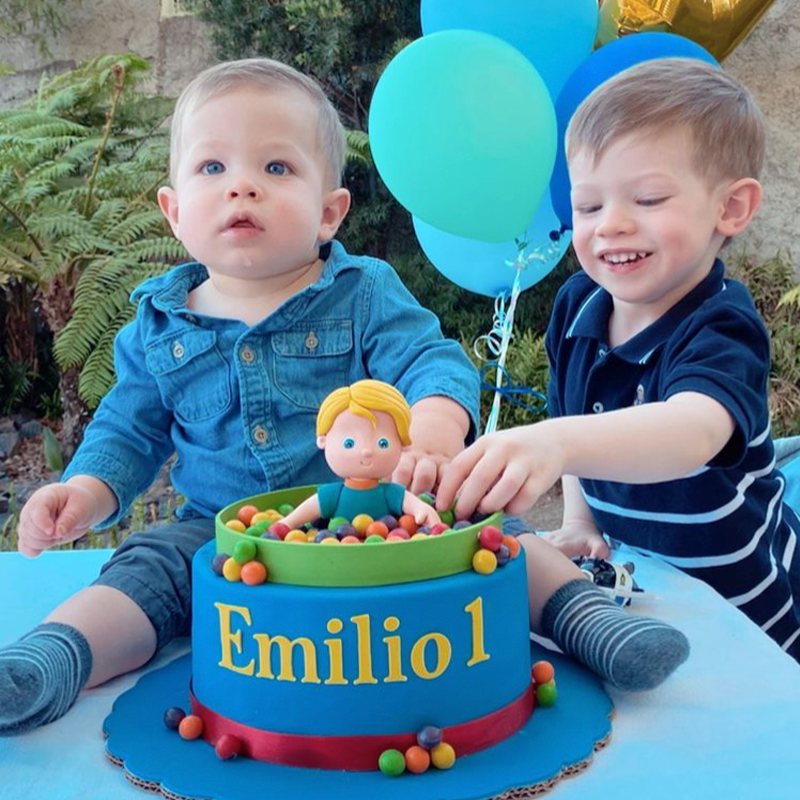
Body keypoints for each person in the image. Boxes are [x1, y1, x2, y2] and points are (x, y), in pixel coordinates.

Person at [0, 58, 480, 734]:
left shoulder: (362, 290)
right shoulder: (159, 323)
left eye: (276, 169)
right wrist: (83, 491)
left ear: (329, 213)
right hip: (224, 534)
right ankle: (48, 660)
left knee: (490, 530)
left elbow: (430, 361)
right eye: (212, 169)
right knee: (148, 568)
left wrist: (432, 429)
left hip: (375, 518)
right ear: (172, 211)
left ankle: (582, 615)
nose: (242, 189)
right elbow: (128, 432)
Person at [436, 58, 800, 663]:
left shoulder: (721, 325)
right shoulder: (577, 306)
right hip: (653, 588)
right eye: (588, 206)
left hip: (751, 612)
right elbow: (572, 414)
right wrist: (580, 521)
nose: (612, 226)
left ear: (730, 209)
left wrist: (553, 442)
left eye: (649, 198)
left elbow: (692, 432)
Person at [280, 380, 441, 531]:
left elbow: (409, 502)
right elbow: (310, 508)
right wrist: (287, 524)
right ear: (323, 441)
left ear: (403, 444)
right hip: (336, 548)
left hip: (387, 548)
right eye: (349, 443)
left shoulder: (389, 493)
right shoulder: (334, 494)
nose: (366, 451)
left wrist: (421, 509)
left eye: (382, 443)